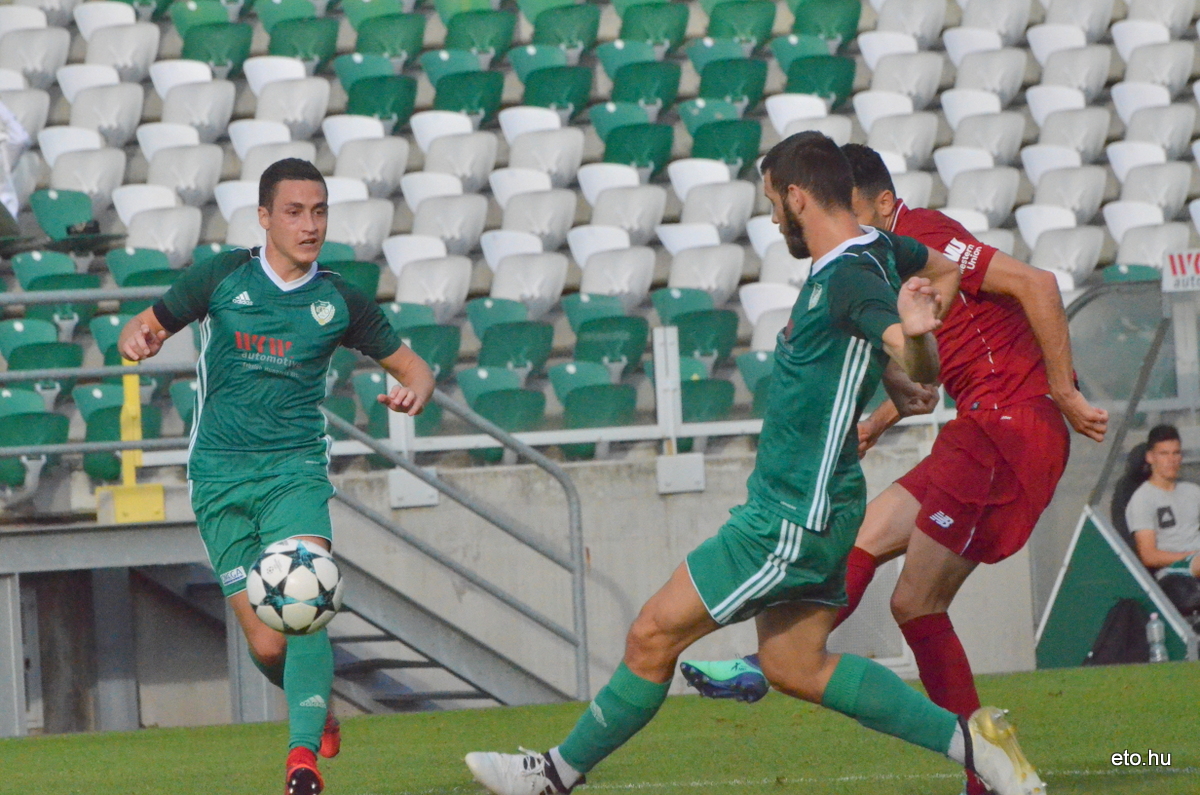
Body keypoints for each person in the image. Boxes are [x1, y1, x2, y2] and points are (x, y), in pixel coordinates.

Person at [463, 132, 1044, 795]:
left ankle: (552, 774)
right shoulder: (882, 251)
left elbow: (903, 336)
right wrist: (901, 367)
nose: (772, 218)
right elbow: (940, 275)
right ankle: (977, 744)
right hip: (817, 503)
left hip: (788, 516)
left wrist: (913, 346)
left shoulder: (851, 276)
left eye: (773, 201)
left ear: (798, 196)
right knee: (794, 663)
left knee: (652, 634)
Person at [680, 143, 1108, 795]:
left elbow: (1039, 283)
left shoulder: (922, 234)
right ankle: (983, 766)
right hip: (985, 430)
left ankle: (771, 666)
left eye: (850, 212)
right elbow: (927, 381)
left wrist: (1065, 390)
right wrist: (877, 423)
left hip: (1011, 424)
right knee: (885, 572)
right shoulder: (882, 259)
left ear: (882, 203)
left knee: (917, 599)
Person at [117, 158, 436, 795]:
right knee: (267, 645)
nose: (309, 224)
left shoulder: (339, 299)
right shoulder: (222, 275)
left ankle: (300, 760)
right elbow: (147, 323)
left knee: (305, 604)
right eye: (294, 211)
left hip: (294, 472)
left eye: (319, 211)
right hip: (218, 478)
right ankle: (316, 710)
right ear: (264, 217)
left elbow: (416, 369)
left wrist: (413, 393)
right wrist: (140, 338)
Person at [1125, 425, 1200, 581]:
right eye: (1164, 454)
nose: (1171, 460)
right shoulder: (1143, 499)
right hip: (1173, 572)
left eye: (1176, 453)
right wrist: (1190, 556)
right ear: (1150, 457)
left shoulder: (1193, 491)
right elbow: (1149, 556)